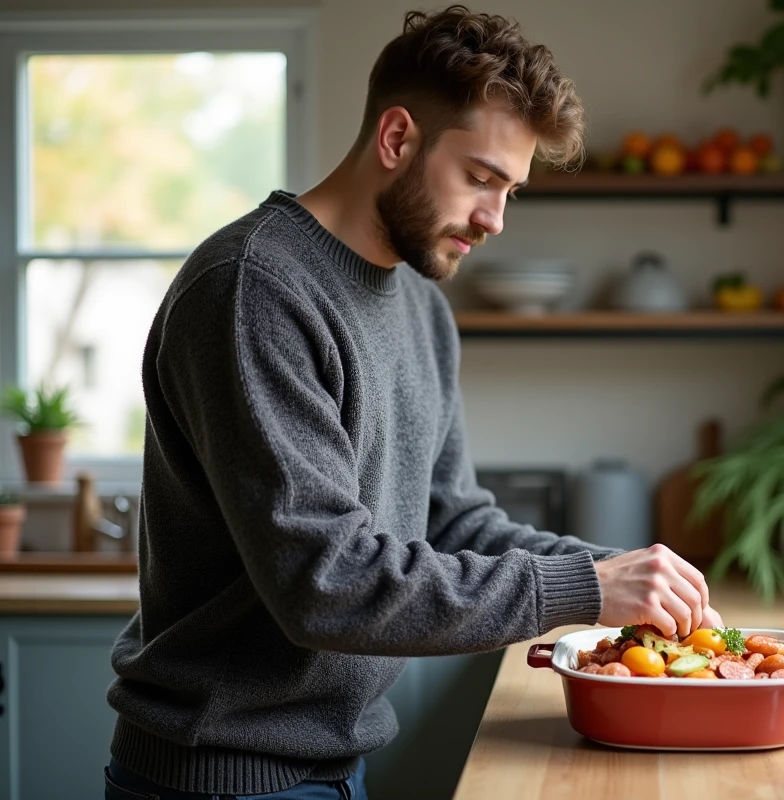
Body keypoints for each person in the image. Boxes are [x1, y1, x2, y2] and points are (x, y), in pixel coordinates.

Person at [103, 6, 721, 799]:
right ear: (397, 140)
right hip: (221, 778)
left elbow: (453, 519)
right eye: (481, 178)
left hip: (335, 768)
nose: (495, 219)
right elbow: (326, 583)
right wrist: (587, 591)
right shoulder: (253, 289)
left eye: (512, 191)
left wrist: (619, 571)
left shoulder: (420, 303)